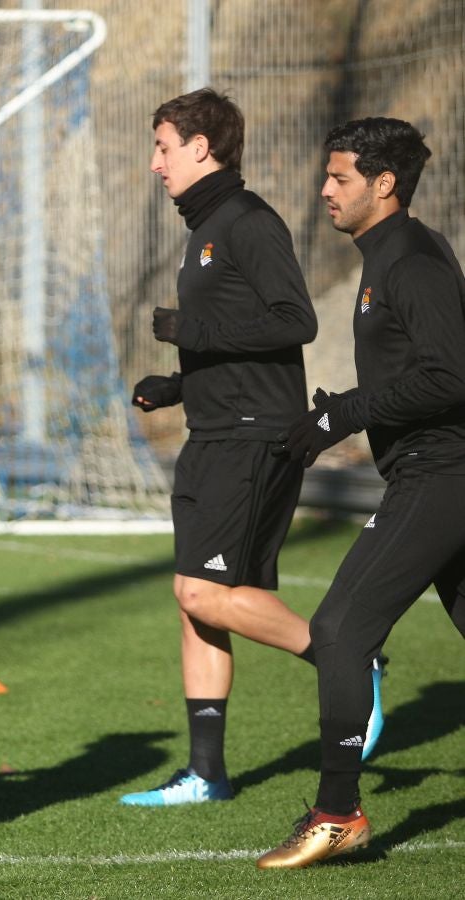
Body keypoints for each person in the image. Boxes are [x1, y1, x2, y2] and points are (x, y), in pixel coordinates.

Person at [122, 88, 376, 807]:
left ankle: (350, 663)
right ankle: (206, 774)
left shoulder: (247, 221)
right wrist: (179, 386)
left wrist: (195, 334)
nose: (155, 163)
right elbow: (241, 342)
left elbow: (295, 321)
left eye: (164, 147)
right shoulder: (205, 228)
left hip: (253, 437)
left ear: (201, 148)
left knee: (202, 591)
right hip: (213, 433)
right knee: (197, 603)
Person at [257, 118, 465, 868]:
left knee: (341, 630)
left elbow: (450, 376)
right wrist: (338, 412)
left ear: (384, 184)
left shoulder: (411, 261)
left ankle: (338, 813)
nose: (325, 190)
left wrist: (345, 411)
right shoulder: (389, 255)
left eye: (339, 177)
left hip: (442, 474)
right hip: (435, 471)